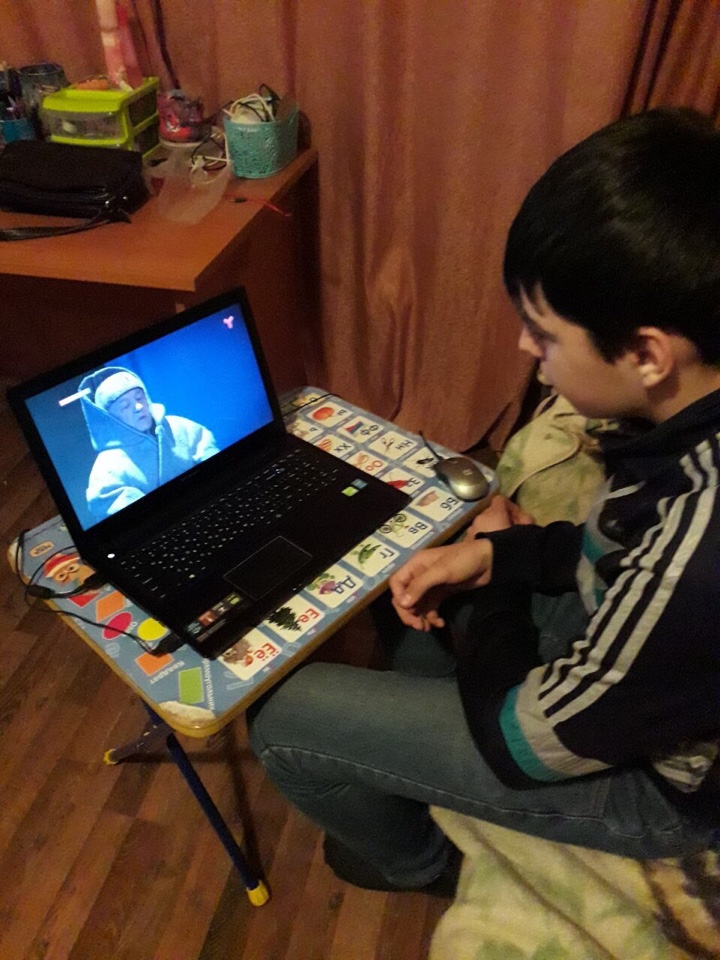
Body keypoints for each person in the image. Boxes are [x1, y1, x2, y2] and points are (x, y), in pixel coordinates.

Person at [247, 108, 720, 894]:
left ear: (647, 354)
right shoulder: (679, 425)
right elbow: (618, 548)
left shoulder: (699, 550)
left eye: (545, 333)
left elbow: (526, 741)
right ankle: (424, 744)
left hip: (665, 792)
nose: (525, 349)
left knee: (283, 719)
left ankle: (418, 862)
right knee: (421, 582)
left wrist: (497, 592)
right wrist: (497, 553)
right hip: (636, 666)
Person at [80, 366, 219, 518]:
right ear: (110, 419)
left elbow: (211, 456)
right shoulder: (106, 468)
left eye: (139, 398)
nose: (138, 407)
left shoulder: (177, 426)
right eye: (125, 406)